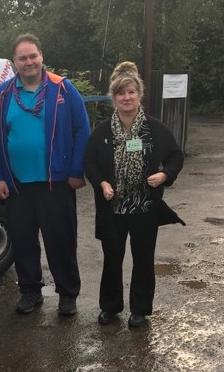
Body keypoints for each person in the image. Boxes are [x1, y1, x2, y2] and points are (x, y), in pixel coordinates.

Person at [0, 34, 91, 316]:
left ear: (41, 56)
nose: (28, 62)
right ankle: (30, 291)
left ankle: (68, 293)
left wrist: (77, 171)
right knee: (23, 241)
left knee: (61, 241)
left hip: (56, 183)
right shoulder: (3, 95)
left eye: (33, 56)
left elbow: (83, 131)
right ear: (15, 62)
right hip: (17, 184)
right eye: (22, 58)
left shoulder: (63, 89)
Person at [84, 61, 184, 328]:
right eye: (120, 93)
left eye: (131, 92)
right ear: (113, 97)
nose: (126, 98)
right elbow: (90, 163)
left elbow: (175, 156)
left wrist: (165, 175)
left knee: (142, 259)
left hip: (144, 208)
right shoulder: (103, 132)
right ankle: (110, 307)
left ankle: (139, 310)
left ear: (139, 94)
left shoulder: (154, 129)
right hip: (112, 209)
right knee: (112, 259)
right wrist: (102, 183)